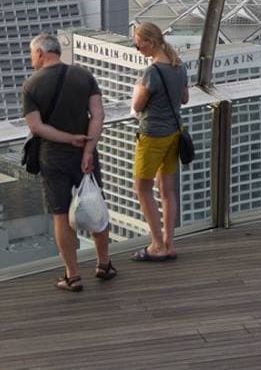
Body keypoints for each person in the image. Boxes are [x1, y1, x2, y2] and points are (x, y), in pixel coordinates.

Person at [21, 33, 113, 292]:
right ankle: (104, 264)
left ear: (40, 53)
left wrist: (67, 138)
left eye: (31, 55)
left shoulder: (31, 85)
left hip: (53, 156)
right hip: (86, 154)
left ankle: (72, 276)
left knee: (60, 214)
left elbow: (36, 126)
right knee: (95, 204)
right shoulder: (83, 76)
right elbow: (98, 115)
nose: (32, 60)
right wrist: (87, 148)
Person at [127, 20, 190, 263]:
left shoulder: (152, 72)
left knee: (142, 189)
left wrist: (139, 91)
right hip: (174, 133)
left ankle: (156, 244)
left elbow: (137, 105)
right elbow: (184, 98)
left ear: (150, 43)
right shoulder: (179, 66)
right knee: (167, 189)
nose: (138, 49)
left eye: (138, 45)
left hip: (152, 135)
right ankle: (169, 243)